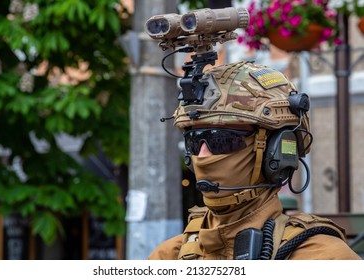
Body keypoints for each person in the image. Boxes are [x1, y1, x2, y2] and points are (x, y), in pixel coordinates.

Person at [148, 60, 362, 260]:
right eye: (193, 141)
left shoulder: (322, 257)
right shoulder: (169, 255)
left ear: (276, 149)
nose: (202, 156)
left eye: (221, 140)